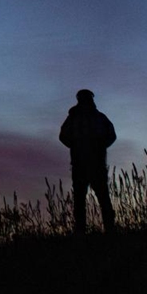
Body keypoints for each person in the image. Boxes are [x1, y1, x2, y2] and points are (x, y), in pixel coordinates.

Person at [59, 89, 116, 234]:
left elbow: (111, 135)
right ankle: (99, 232)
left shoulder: (96, 118)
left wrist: (78, 146)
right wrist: (78, 146)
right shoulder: (79, 118)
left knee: (91, 200)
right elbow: (63, 136)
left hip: (89, 164)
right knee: (92, 200)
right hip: (85, 164)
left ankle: (97, 232)